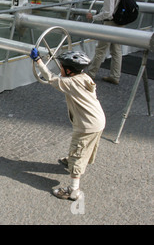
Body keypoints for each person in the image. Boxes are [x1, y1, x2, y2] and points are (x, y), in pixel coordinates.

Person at [30, 49, 106, 201]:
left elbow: (50, 78)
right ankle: (73, 161)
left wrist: (38, 60)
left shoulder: (69, 83)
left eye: (62, 67)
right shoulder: (84, 77)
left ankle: (73, 190)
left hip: (87, 125)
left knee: (78, 151)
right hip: (98, 120)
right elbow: (62, 74)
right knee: (86, 147)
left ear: (69, 70)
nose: (60, 68)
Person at [86, 0, 124, 85]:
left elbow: (108, 13)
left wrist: (94, 17)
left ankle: (90, 74)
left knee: (101, 49)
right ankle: (115, 76)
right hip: (119, 23)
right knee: (116, 50)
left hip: (110, 23)